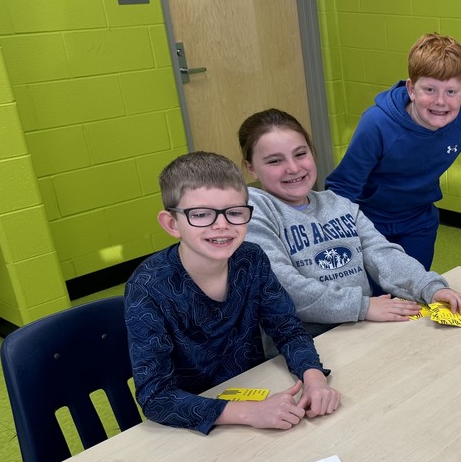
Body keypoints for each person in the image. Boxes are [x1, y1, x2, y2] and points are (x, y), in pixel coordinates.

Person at [124, 151, 341, 433]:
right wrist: (251, 412)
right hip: (195, 426)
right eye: (201, 214)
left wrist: (315, 381)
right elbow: (155, 397)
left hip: (259, 393)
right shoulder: (147, 286)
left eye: (235, 212)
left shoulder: (251, 259)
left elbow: (288, 330)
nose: (222, 225)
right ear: (172, 224)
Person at [239, 108, 461, 334]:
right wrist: (363, 306)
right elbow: (282, 285)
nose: (293, 168)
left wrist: (429, 287)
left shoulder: (339, 204)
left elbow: (381, 253)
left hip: (359, 329)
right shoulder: (252, 213)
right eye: (275, 161)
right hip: (303, 344)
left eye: (300, 154)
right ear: (251, 168)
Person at [325, 32, 461, 269]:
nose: (440, 101)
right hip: (371, 222)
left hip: (419, 222)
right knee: (377, 289)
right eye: (430, 90)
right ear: (412, 89)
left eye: (451, 91)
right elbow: (342, 186)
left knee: (414, 285)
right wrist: (338, 239)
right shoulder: (376, 124)